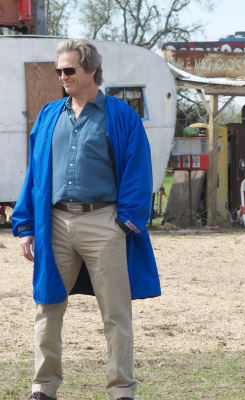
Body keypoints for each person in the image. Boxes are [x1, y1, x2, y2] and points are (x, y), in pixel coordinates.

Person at [11, 39, 161, 400]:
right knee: (47, 309)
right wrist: (27, 225)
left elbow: (139, 172)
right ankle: (43, 388)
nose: (62, 76)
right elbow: (35, 175)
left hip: (104, 223)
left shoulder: (121, 115)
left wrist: (125, 222)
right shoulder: (49, 115)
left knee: (115, 314)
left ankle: (122, 389)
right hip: (56, 226)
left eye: (69, 70)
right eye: (59, 70)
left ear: (91, 71)